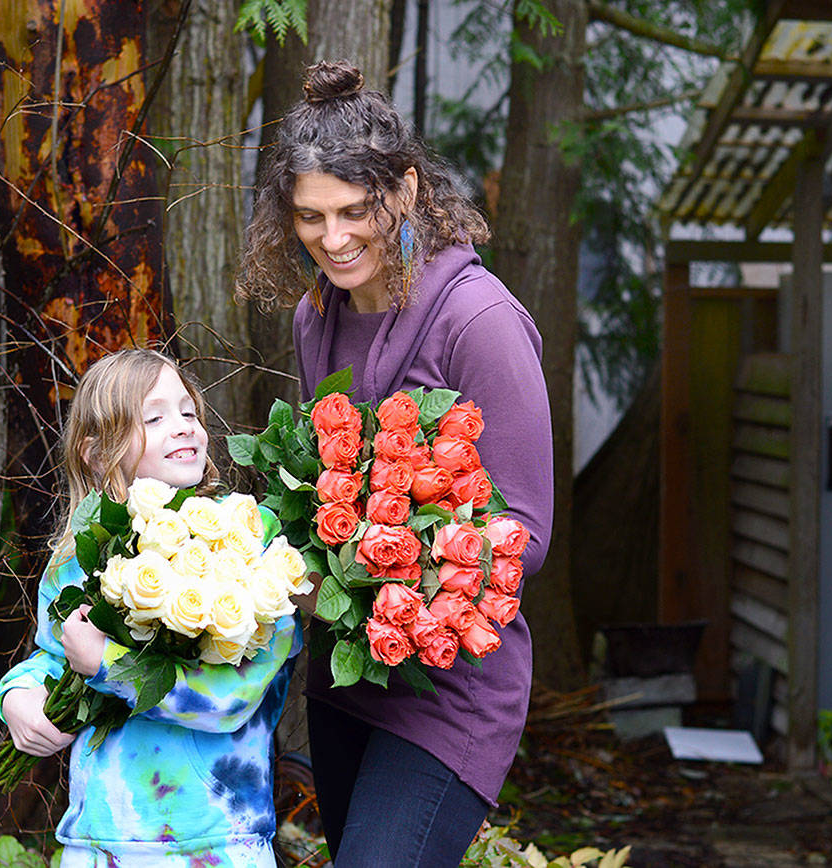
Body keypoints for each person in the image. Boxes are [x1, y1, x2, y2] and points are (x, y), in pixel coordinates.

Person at [237, 60, 554, 867]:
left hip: (453, 686)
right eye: (311, 217)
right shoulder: (319, 317)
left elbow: (525, 528)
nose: (333, 239)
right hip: (350, 677)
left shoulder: (478, 321)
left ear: (407, 191)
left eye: (354, 211)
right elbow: (318, 484)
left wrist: (393, 571)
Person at [0, 348, 301, 868]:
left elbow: (236, 696)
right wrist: (17, 695)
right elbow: (55, 656)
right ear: (97, 452)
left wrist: (111, 667)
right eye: (154, 418)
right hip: (101, 841)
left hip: (218, 841)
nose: (182, 427)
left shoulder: (250, 544)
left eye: (188, 412)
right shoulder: (81, 556)